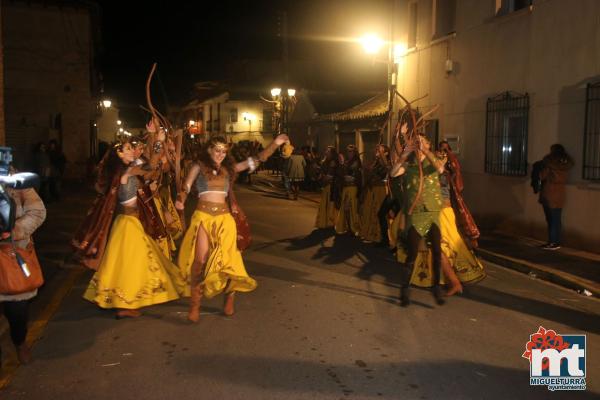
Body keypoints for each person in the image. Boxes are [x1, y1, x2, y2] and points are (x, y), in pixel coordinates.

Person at [176, 134, 288, 323]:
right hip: (202, 218)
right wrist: (181, 200)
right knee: (199, 260)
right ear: (209, 150)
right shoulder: (198, 166)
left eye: (223, 151)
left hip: (224, 220)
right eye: (217, 150)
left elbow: (256, 159)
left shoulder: (230, 169)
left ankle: (230, 298)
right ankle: (194, 305)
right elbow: (186, 186)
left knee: (229, 262)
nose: (220, 154)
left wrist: (275, 143)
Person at [82, 132, 185, 318]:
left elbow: (151, 170)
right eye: (128, 149)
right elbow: (150, 167)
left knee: (123, 264)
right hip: (127, 224)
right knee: (135, 262)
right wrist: (159, 142)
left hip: (128, 222)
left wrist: (157, 142)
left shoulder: (125, 170)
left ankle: (120, 300)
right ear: (119, 155)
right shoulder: (126, 172)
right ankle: (124, 303)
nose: (132, 151)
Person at [391, 129, 445, 307]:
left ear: (428, 145)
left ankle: (436, 287)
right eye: (417, 142)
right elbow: (393, 173)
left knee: (437, 252)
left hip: (433, 213)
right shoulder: (410, 166)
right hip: (416, 214)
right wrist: (406, 151)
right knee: (412, 254)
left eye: (422, 141)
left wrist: (427, 151)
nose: (419, 144)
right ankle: (405, 291)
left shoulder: (434, 162)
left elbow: (441, 168)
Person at [0, 172, 46, 367]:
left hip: (13, 255)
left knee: (17, 313)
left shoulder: (17, 183)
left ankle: (20, 342)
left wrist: (13, 231)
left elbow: (37, 212)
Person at [539, 144, 574, 250]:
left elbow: (542, 176)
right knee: (556, 219)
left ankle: (552, 242)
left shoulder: (549, 163)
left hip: (549, 192)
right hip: (560, 193)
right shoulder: (566, 165)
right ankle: (556, 241)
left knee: (551, 220)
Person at [359, 144, 390, 243]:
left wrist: (381, 155)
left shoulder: (386, 161)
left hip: (380, 189)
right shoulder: (376, 162)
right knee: (368, 210)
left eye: (380, 149)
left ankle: (377, 235)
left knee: (377, 211)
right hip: (372, 188)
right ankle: (368, 234)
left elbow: (386, 169)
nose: (377, 150)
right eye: (377, 149)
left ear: (386, 152)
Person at [333, 145, 362, 236]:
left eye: (351, 151)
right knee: (346, 209)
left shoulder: (357, 162)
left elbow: (357, 175)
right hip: (346, 187)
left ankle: (353, 228)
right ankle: (349, 227)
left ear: (354, 152)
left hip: (352, 188)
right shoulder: (346, 162)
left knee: (351, 208)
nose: (349, 153)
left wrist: (352, 177)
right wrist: (342, 164)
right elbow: (341, 173)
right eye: (348, 151)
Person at [315, 146, 339, 229]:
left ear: (332, 153)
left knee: (330, 204)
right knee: (324, 204)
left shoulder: (333, 162)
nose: (326, 152)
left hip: (331, 186)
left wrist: (324, 176)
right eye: (326, 150)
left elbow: (331, 175)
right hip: (325, 185)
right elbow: (322, 173)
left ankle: (330, 222)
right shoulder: (325, 161)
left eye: (328, 151)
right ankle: (324, 222)